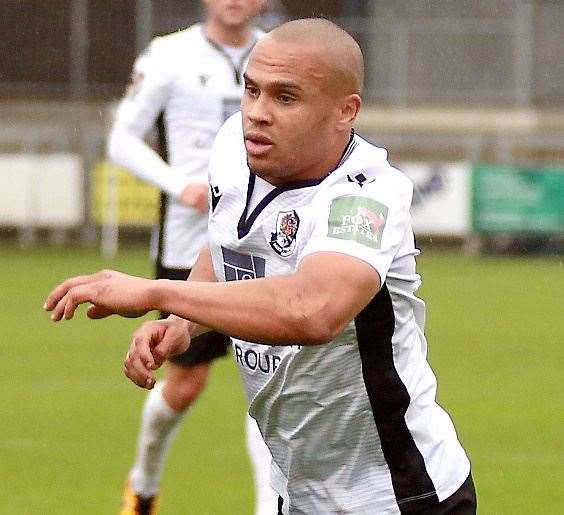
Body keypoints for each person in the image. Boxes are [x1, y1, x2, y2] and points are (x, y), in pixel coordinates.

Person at [46, 19, 477, 515]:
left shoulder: (368, 196)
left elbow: (312, 311)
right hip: (297, 494)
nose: (257, 114)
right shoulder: (234, 145)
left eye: (285, 98)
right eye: (251, 91)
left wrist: (156, 292)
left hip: (399, 495)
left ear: (346, 111)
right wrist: (183, 324)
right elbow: (227, 243)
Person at [106, 1, 277, 514]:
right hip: (188, 247)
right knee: (184, 386)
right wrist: (178, 185)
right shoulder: (169, 55)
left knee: (269, 385)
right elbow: (121, 138)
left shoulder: (278, 53)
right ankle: (144, 483)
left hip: (267, 244)